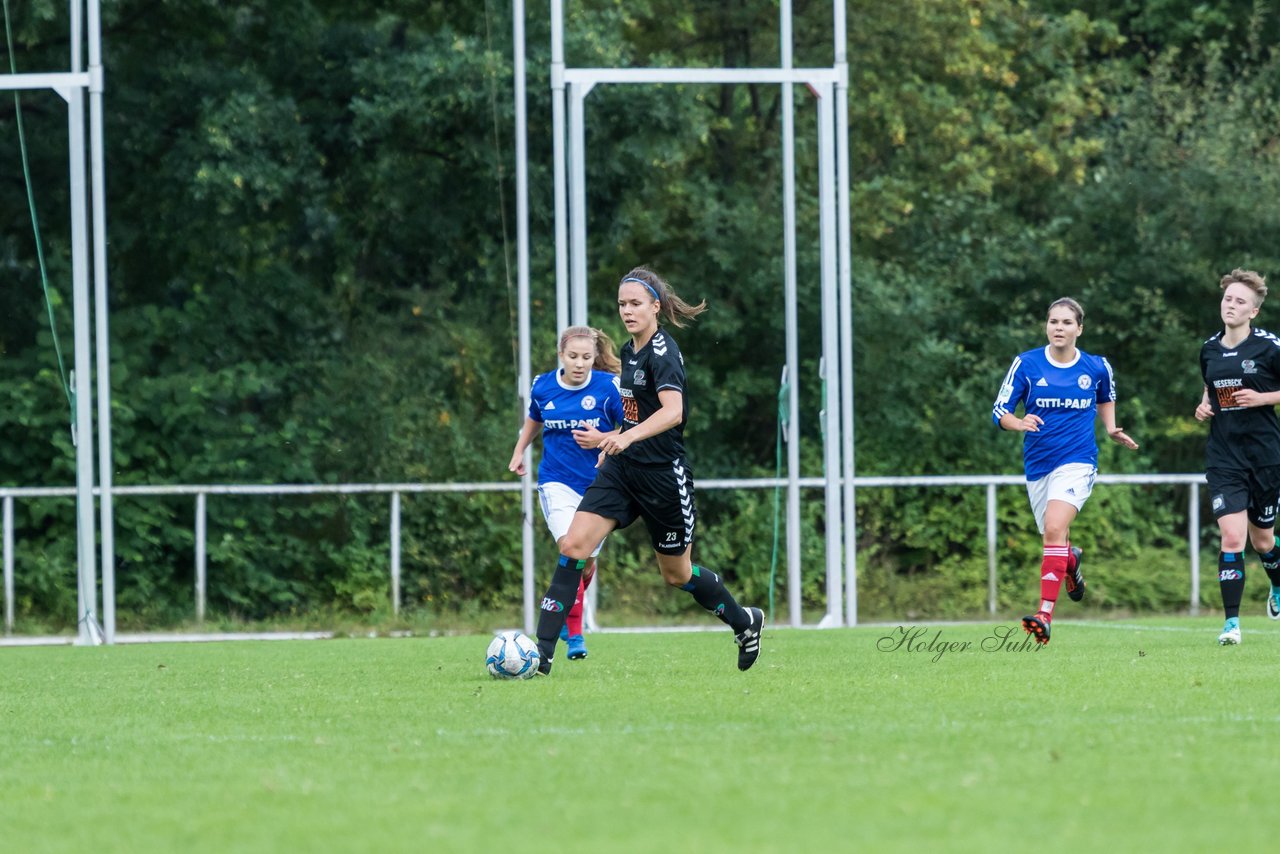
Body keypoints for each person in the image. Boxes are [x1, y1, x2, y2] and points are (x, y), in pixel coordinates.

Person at [532, 267, 764, 675]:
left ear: (655, 306)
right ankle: (542, 655)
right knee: (572, 546)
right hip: (623, 471)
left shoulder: (663, 353)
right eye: (622, 304)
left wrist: (626, 437)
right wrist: (613, 440)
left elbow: (673, 413)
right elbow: (636, 415)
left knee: (676, 574)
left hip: (662, 476)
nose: (627, 311)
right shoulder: (628, 350)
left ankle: (745, 623)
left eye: (635, 303)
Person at [993, 297, 1139, 645]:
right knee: (1055, 539)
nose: (1059, 328)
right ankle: (1070, 561)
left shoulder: (1096, 366)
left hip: (1078, 461)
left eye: (1066, 323)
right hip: (1038, 466)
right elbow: (1000, 410)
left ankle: (1044, 614)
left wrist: (1111, 427)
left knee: (1055, 528)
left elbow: (1105, 397)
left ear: (1079, 329)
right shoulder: (1026, 364)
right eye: (1053, 322)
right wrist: (1018, 422)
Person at [508, 325, 625, 660]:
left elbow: (628, 429)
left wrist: (601, 439)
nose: (579, 363)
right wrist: (519, 451)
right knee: (569, 549)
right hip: (556, 482)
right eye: (573, 356)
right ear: (561, 355)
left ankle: (563, 611)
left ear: (594, 357)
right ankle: (575, 633)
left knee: (586, 564)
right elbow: (534, 420)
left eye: (586, 357)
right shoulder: (543, 386)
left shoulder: (607, 388)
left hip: (598, 486)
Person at [1194, 268, 1280, 645]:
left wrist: (1262, 398)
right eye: (1228, 298)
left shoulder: (1269, 347)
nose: (1231, 305)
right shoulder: (1210, 348)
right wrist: (1203, 405)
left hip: (1265, 456)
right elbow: (1209, 386)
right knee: (1233, 537)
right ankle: (1232, 624)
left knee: (1263, 541)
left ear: (1254, 312)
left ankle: (1277, 586)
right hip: (1224, 456)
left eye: (1240, 301)